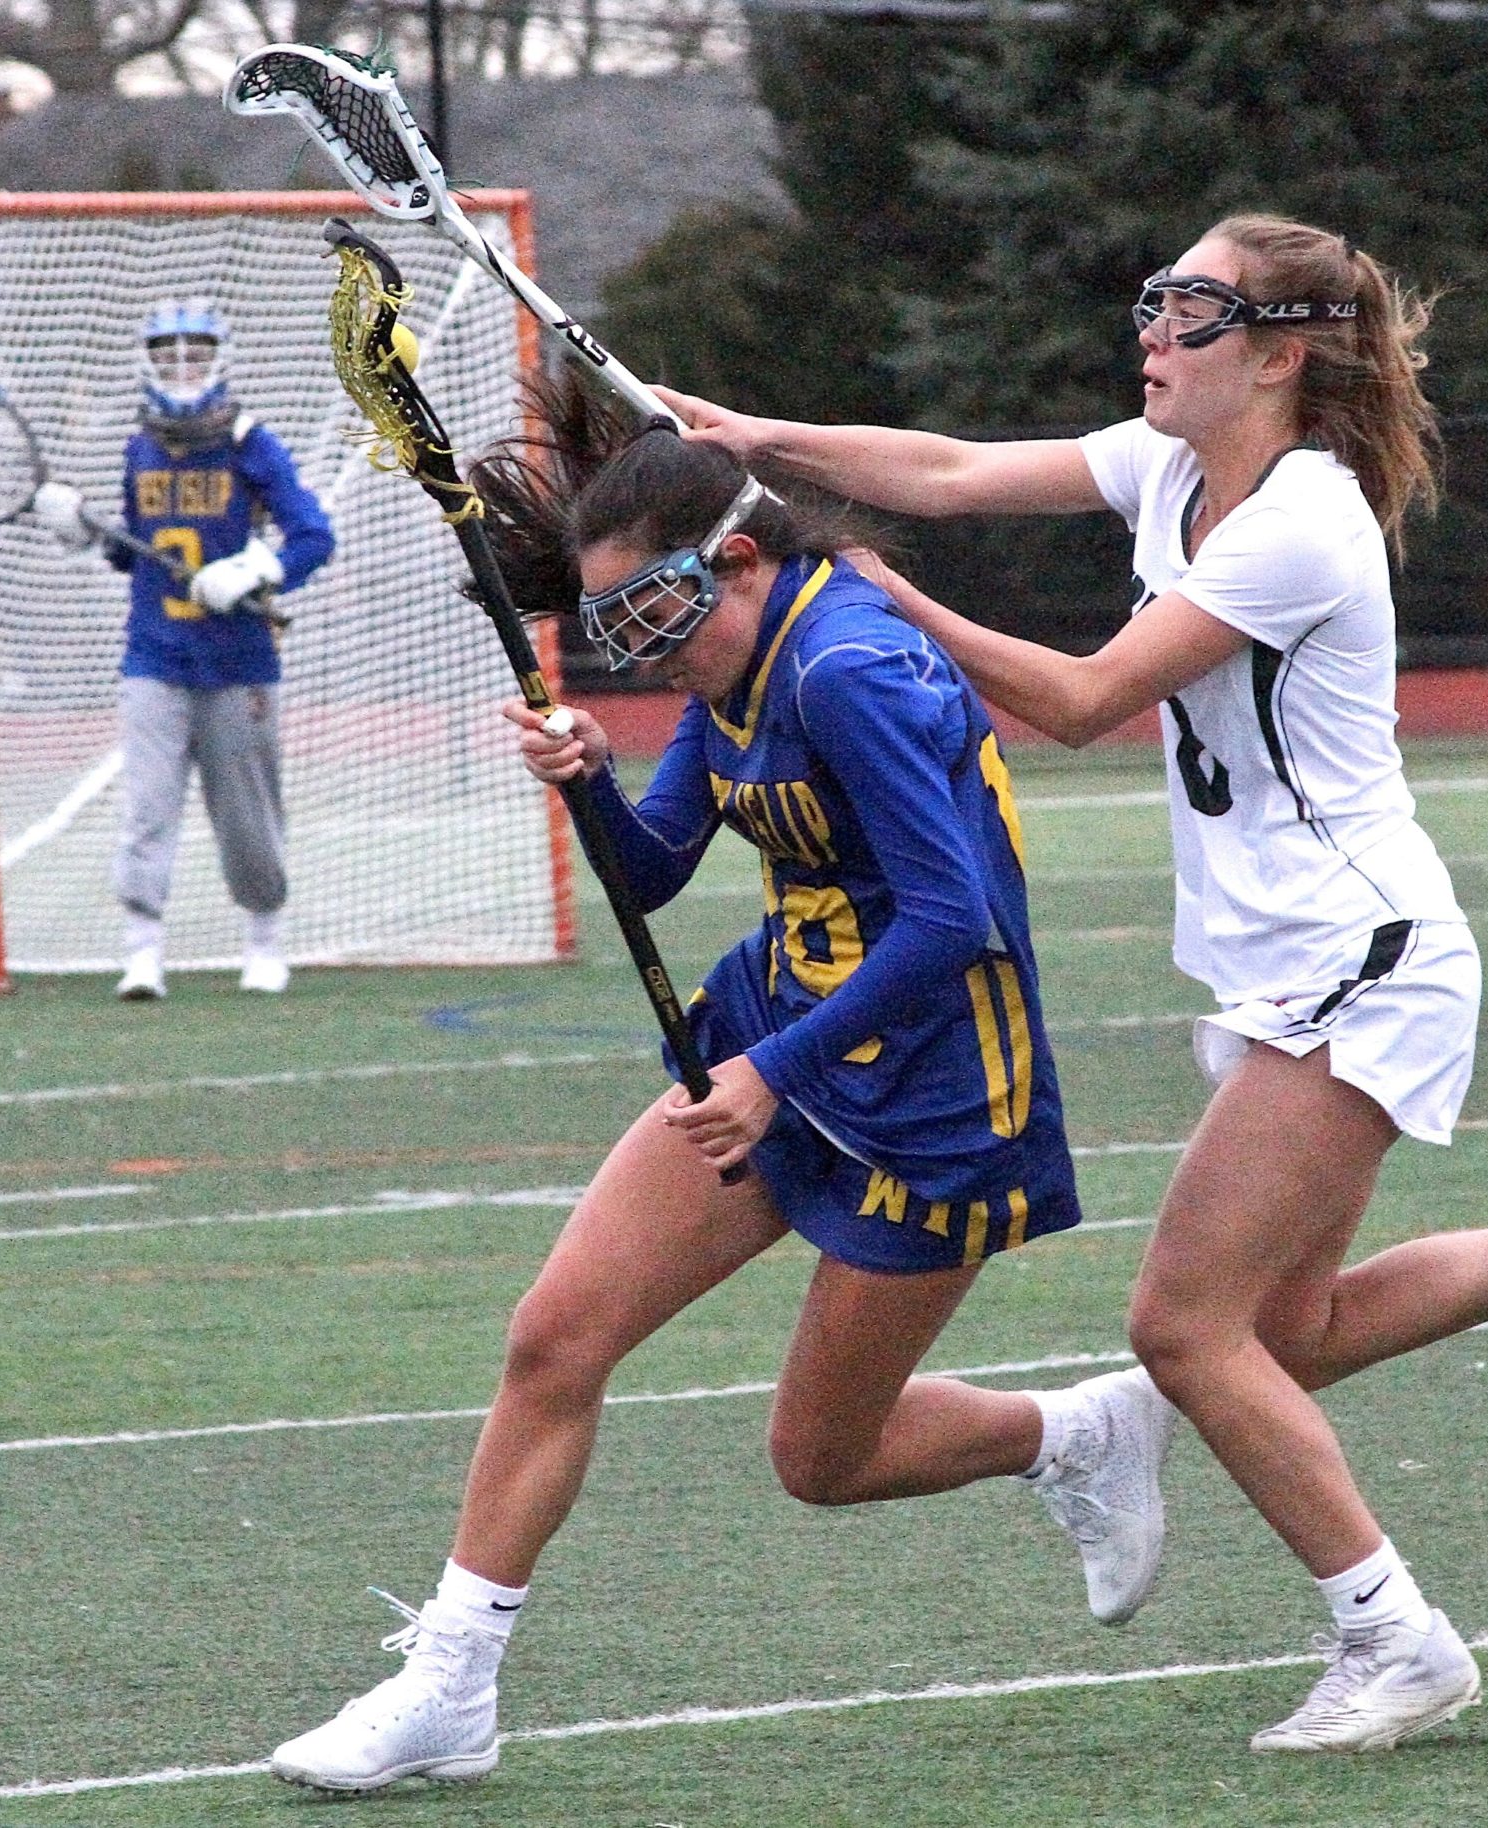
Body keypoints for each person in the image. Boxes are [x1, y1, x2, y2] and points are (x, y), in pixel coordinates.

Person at [655, 212, 1488, 1754]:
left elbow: (1086, 698)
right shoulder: (1176, 461)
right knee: (1278, 1333)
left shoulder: (1305, 516)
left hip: (1359, 964)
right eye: (1155, 303)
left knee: (1184, 1331)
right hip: (1287, 967)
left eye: (1189, 310)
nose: (1153, 334)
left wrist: (868, 593)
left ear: (1282, 353)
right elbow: (960, 472)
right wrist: (753, 435)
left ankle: (1396, 1637)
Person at [265, 386, 1179, 1796]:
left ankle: (1076, 1434)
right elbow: (651, 873)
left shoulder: (844, 671)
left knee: (823, 1458)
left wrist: (768, 1075)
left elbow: (955, 922)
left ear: (740, 562)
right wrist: (586, 783)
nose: (642, 649)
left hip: (937, 1086)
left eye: (654, 615)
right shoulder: (728, 675)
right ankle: (451, 1683)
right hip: (784, 1024)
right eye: (614, 625)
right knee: (555, 1338)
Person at [31, 300, 335, 999]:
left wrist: (257, 569)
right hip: (154, 656)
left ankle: (263, 941)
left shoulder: (250, 442)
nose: (181, 368)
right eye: (168, 356)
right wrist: (83, 529)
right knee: (146, 807)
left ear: (218, 360)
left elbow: (314, 536)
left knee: (247, 812)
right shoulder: (140, 446)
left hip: (239, 662)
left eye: (194, 355)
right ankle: (142, 952)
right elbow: (140, 554)